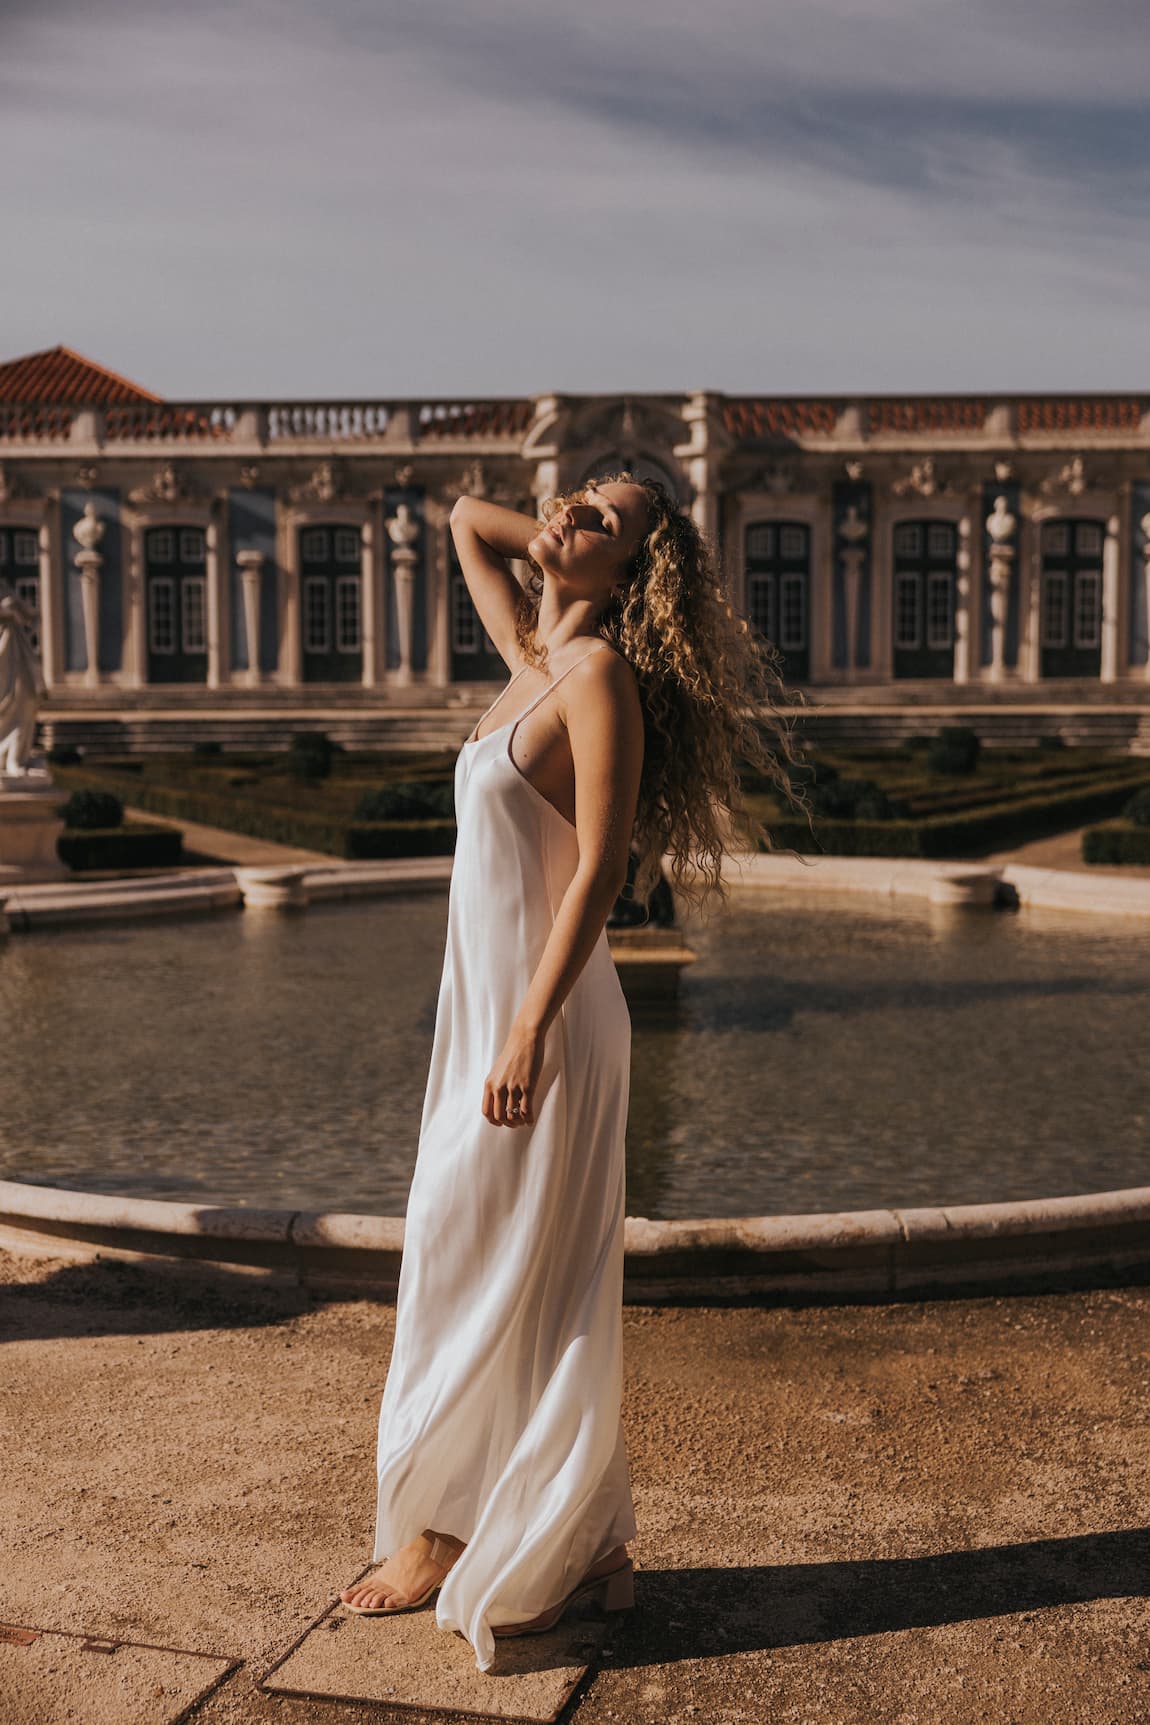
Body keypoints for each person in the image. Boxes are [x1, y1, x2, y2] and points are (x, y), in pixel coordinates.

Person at [339, 471, 813, 1672]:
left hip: (545, 1021)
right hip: (489, 1016)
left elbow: (601, 869)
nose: (570, 515)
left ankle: (458, 1534)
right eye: (575, 497)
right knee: (475, 1258)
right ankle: (586, 1545)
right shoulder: (530, 657)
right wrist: (571, 533)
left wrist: (527, 1029)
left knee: (504, 1273)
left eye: (606, 520)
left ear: (635, 573)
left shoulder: (597, 676)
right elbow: (464, 518)